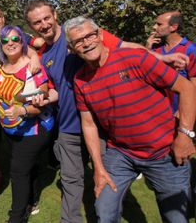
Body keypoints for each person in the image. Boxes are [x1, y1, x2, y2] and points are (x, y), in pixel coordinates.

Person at [24, 0, 191, 223]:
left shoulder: (84, 33)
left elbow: (126, 47)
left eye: (46, 18)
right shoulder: (49, 58)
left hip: (113, 131)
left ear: (55, 15)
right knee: (76, 183)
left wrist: (161, 57)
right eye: (37, 22)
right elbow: (55, 91)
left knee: (118, 188)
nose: (43, 24)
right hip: (74, 128)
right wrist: (42, 97)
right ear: (31, 26)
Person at [66, 16, 196, 222]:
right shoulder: (81, 80)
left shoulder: (135, 58)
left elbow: (186, 87)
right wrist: (98, 169)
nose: (86, 43)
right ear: (72, 49)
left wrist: (185, 135)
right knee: (105, 210)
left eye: (90, 35)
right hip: (121, 154)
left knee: (176, 218)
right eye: (78, 41)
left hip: (165, 153)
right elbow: (88, 124)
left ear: (100, 35)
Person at [0, 25, 57, 222]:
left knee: (18, 173)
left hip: (33, 129)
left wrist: (23, 110)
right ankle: (33, 200)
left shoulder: (33, 68)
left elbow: (42, 100)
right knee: (29, 168)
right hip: (11, 130)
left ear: (22, 41)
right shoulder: (1, 66)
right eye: (5, 41)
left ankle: (16, 217)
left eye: (15, 39)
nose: (10, 43)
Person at [148, 10, 196, 113]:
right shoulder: (155, 48)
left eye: (159, 24)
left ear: (173, 27)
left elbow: (194, 85)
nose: (154, 27)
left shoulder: (190, 49)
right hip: (155, 112)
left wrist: (182, 112)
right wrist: (147, 48)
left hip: (176, 114)